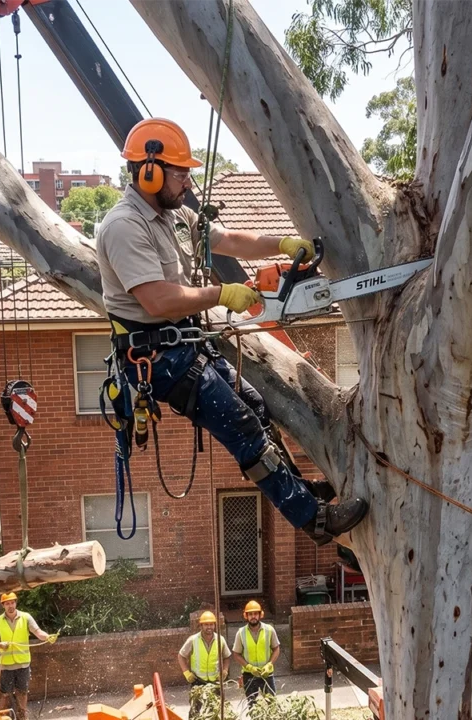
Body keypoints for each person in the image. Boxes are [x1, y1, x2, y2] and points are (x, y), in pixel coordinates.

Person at [96, 117, 369, 546]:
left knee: (255, 405)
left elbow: (228, 241)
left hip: (186, 345)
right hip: (158, 360)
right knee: (240, 424)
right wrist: (222, 293)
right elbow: (158, 301)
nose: (187, 181)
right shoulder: (124, 226)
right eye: (179, 171)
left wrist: (280, 244)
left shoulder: (174, 216)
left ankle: (301, 491)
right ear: (148, 171)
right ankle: (313, 520)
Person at [0, 591, 57, 720]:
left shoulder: (26, 617)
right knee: (5, 694)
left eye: (12, 602)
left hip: (23, 664)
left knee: (22, 692)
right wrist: (0, 645)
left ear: (16, 603)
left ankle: (22, 716)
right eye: (7, 603)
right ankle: (2, 716)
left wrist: (48, 637)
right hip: (6, 665)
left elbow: (37, 632)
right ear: (3, 605)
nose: (11, 606)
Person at [178, 610, 231, 718]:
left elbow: (227, 656)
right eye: (206, 624)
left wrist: (225, 670)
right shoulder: (193, 640)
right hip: (197, 681)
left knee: (217, 711)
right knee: (195, 711)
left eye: (211, 624)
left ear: (215, 625)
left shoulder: (220, 639)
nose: (209, 627)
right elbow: (181, 656)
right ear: (201, 626)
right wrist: (186, 673)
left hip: (215, 682)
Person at [231, 600, 279, 706]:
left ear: (260, 615)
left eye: (255, 614)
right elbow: (236, 654)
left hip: (267, 674)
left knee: (272, 705)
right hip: (249, 675)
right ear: (246, 616)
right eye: (250, 614)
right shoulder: (241, 633)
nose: (253, 616)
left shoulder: (269, 630)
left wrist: (270, 664)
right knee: (252, 706)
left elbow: (276, 648)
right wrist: (249, 667)